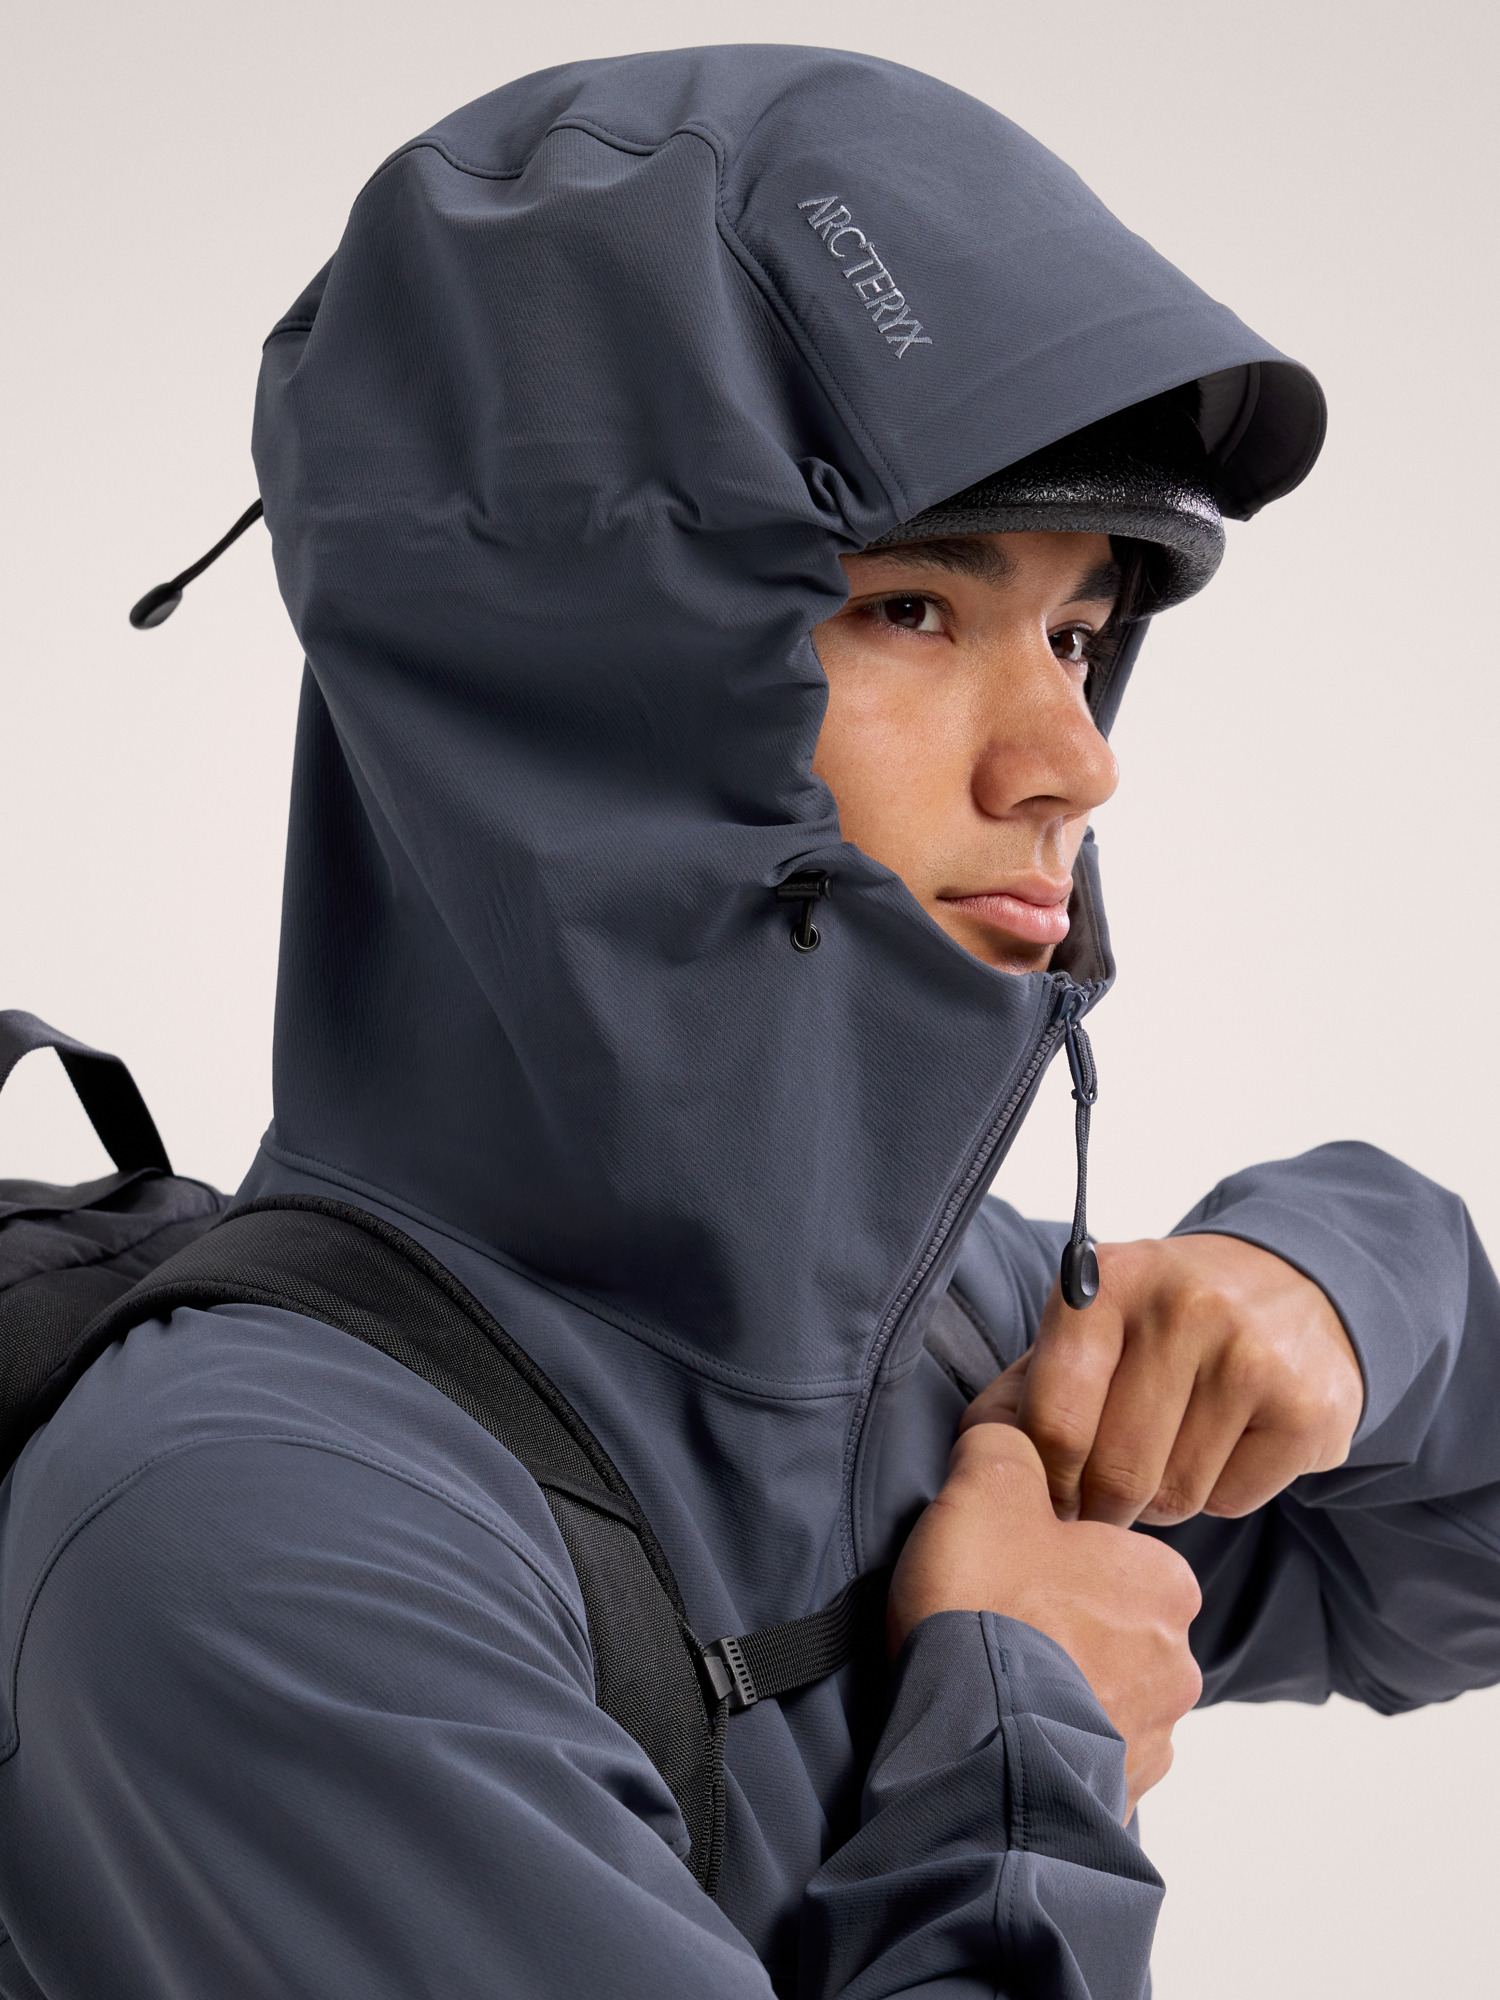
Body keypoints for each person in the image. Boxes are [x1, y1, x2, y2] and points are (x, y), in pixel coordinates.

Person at [2, 44, 1498, 2000]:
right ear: (579, 688)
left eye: (1077, 631)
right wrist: (1024, 1737)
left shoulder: (930, 1325)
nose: (1073, 760)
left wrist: (1339, 1278)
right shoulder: (255, 1549)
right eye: (913, 611)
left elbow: (1449, 1562)